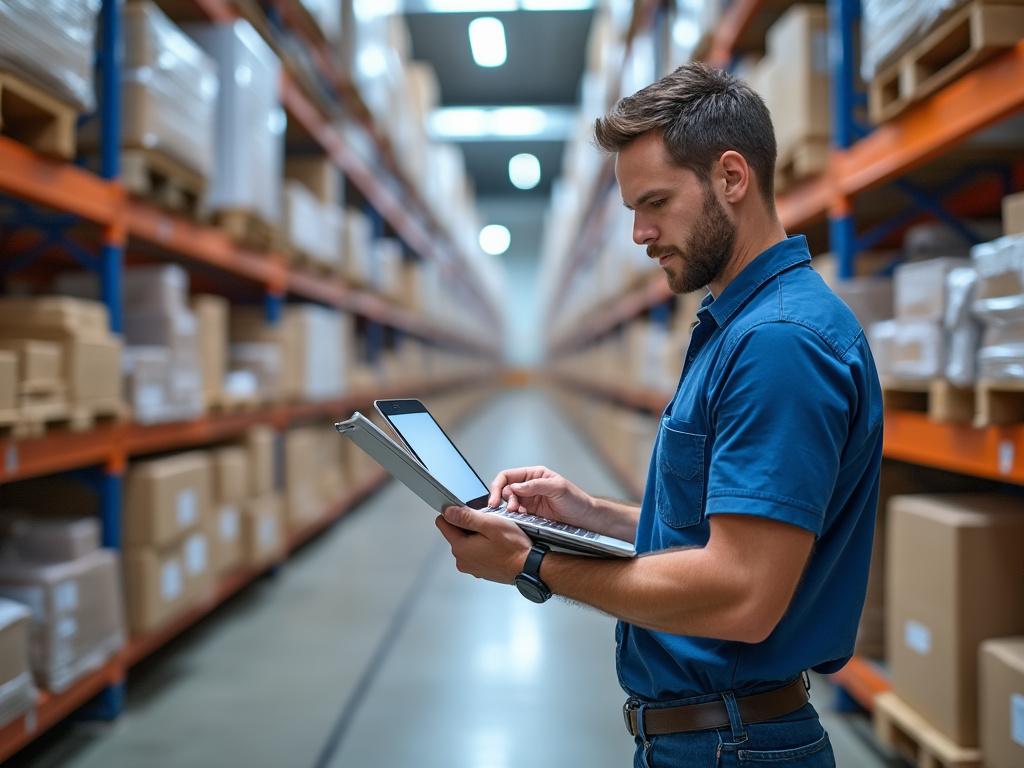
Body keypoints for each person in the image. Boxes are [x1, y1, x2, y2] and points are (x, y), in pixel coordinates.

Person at [435, 62, 882, 768]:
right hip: (717, 736)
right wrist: (592, 516)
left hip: (732, 746)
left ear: (732, 178)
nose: (640, 234)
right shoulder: (738, 326)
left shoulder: (778, 345)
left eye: (655, 203)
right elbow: (716, 530)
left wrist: (534, 563)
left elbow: (742, 594)